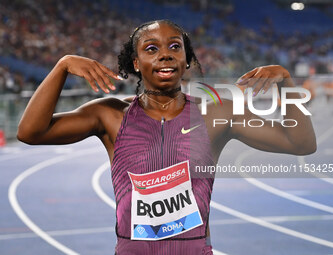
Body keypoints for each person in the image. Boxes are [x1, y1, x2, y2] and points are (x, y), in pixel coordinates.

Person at [17, 20, 316, 255]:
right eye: (151, 48)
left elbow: (300, 143)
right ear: (136, 63)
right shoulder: (110, 115)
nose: (165, 54)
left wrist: (286, 83)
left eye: (175, 47)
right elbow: (31, 132)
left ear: (186, 61)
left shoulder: (217, 114)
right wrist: (63, 66)